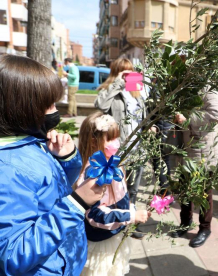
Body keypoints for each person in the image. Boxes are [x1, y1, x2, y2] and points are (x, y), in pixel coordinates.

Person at [0, 54, 104, 275]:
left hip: (62, 262)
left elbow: (56, 184)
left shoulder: (31, 140)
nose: (55, 110)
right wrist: (77, 204)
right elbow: (13, 255)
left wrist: (67, 158)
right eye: (48, 104)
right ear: (20, 107)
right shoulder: (7, 169)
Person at [76, 112, 150, 276]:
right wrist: (131, 215)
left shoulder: (111, 164)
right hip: (101, 241)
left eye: (116, 138)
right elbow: (96, 214)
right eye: (109, 139)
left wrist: (129, 207)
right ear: (94, 141)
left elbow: (118, 197)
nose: (115, 143)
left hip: (113, 234)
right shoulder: (95, 172)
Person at [94, 57, 147, 239]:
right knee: (116, 190)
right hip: (118, 151)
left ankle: (130, 222)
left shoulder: (136, 94)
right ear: (116, 72)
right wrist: (117, 82)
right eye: (123, 71)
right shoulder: (109, 91)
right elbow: (100, 106)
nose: (127, 75)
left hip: (138, 149)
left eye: (129, 71)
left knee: (133, 189)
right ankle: (116, 222)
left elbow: (143, 118)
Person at [171, 89, 218, 248]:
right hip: (189, 149)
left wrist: (188, 118)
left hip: (205, 152)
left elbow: (216, 114)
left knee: (204, 193)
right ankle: (185, 223)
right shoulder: (187, 86)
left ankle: (205, 228)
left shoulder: (210, 89)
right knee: (185, 189)